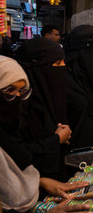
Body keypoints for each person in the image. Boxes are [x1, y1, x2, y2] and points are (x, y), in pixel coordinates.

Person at [0, 55, 91, 213]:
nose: (17, 98)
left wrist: (39, 182)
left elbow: (19, 162)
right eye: (9, 91)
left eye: (22, 91)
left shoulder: (10, 129)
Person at [15, 38, 71, 181]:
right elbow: (18, 153)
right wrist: (56, 139)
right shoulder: (18, 107)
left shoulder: (51, 97)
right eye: (57, 63)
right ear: (38, 68)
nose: (63, 67)